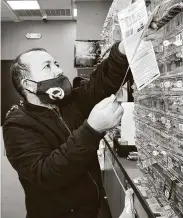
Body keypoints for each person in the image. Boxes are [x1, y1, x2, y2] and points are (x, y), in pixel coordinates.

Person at [3, 19, 157, 218]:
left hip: (89, 210)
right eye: (47, 66)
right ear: (29, 85)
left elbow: (99, 84)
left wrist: (121, 50)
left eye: (56, 64)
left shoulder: (70, 103)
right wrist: (92, 129)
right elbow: (46, 174)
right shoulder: (17, 125)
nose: (59, 70)